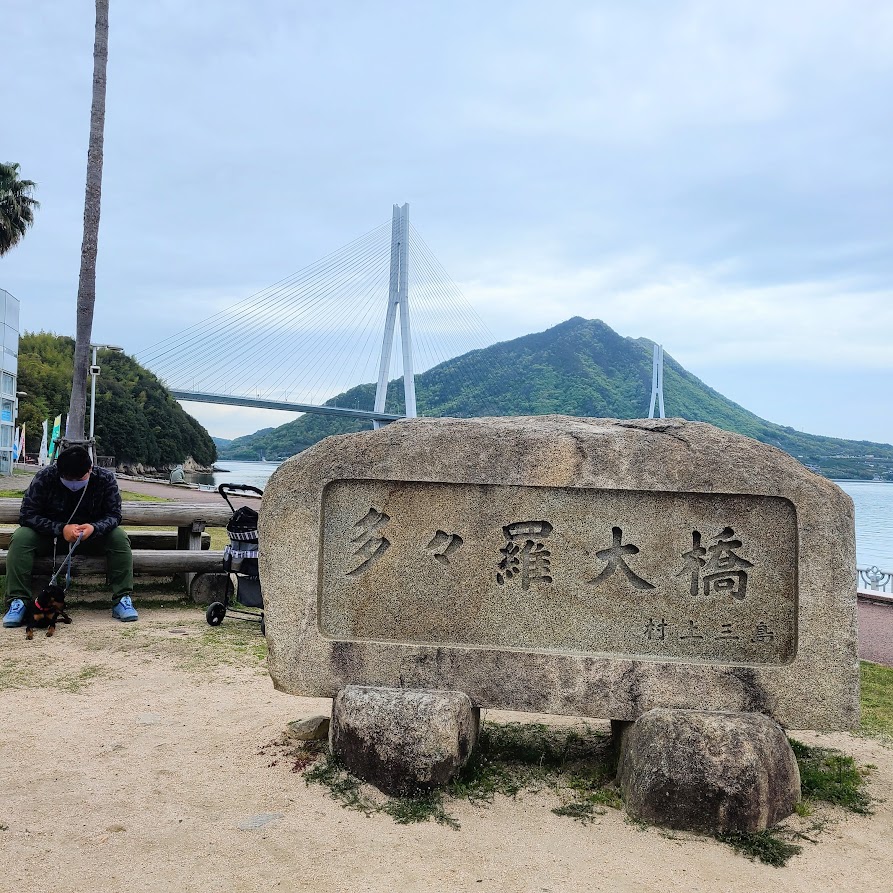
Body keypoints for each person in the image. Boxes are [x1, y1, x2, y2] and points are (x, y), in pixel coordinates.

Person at [2, 445, 137, 627]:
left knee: (119, 538)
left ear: (90, 469)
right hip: (51, 538)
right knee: (21, 538)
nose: (74, 482)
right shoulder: (45, 477)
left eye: (79, 478)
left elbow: (114, 515)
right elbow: (27, 514)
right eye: (68, 478)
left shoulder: (105, 478)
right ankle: (17, 601)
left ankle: (122, 598)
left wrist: (94, 528)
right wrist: (60, 529)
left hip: (90, 538)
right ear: (59, 471)